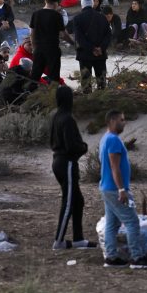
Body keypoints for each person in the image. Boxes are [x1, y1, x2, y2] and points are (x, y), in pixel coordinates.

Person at [99, 110, 147, 269]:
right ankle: (137, 258)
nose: (124, 123)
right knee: (132, 222)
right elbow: (114, 167)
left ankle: (111, 257)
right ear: (112, 121)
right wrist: (122, 189)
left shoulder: (105, 139)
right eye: (121, 120)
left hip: (107, 188)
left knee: (112, 223)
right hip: (115, 190)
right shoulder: (114, 140)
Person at [51, 85, 97, 250]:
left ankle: (78, 239)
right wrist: (84, 147)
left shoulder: (57, 116)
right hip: (67, 163)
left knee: (78, 201)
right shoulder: (68, 119)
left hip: (58, 161)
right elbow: (72, 146)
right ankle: (59, 241)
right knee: (69, 202)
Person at [73, 0, 112, 93]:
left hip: (85, 54)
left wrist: (92, 48)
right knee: (101, 81)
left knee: (86, 82)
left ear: (82, 5)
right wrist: (100, 48)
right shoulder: (102, 17)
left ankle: (87, 101)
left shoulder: (78, 18)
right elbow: (108, 36)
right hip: (100, 55)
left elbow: (79, 39)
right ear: (92, 4)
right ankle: (102, 100)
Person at [29, 0, 67, 84]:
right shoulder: (57, 15)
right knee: (53, 77)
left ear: (45, 1)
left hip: (39, 49)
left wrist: (34, 48)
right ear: (56, 3)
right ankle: (52, 96)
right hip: (52, 50)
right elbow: (63, 34)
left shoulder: (36, 14)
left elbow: (32, 33)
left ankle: (30, 94)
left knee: (35, 75)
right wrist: (73, 42)